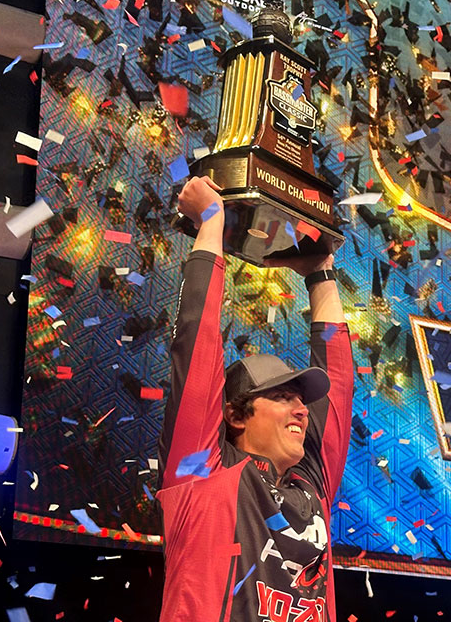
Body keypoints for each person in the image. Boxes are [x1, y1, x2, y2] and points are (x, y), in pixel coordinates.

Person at [156, 176, 354, 622]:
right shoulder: (202, 471)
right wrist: (211, 221)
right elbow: (197, 345)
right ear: (235, 414)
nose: (301, 410)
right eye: (282, 397)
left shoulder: (310, 487)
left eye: (299, 400)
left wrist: (320, 272)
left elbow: (338, 383)